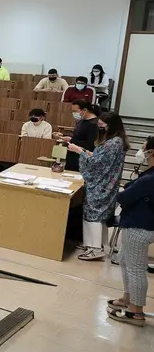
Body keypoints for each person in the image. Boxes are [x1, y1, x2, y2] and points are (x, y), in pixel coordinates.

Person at [106, 136, 154, 325]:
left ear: (151, 152)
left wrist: (122, 191)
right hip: (138, 223)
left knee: (136, 269)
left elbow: (124, 198)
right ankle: (128, 298)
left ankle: (136, 312)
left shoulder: (149, 179)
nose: (141, 153)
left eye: (144, 149)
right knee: (125, 260)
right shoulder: (148, 175)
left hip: (139, 226)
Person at [70, 112, 128, 261]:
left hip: (102, 184)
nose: (100, 128)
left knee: (93, 215)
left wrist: (79, 151)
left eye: (102, 125)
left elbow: (96, 164)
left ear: (112, 125)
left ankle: (95, 248)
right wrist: (85, 151)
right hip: (106, 183)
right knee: (98, 215)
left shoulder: (113, 143)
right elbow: (99, 158)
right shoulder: (116, 141)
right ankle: (95, 244)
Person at [56, 100, 101, 172]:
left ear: (85, 110)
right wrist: (65, 136)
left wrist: (71, 140)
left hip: (82, 159)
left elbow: (91, 145)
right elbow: (78, 136)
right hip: (72, 156)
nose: (74, 113)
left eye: (75, 111)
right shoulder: (81, 120)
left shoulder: (94, 124)